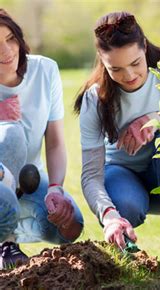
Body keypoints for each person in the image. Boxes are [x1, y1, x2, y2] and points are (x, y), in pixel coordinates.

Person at [74, 12, 160, 268]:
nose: (129, 76)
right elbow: (91, 175)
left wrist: (157, 119)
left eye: (135, 63)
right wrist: (109, 215)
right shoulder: (95, 98)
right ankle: (124, 245)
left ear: (144, 46)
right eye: (116, 69)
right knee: (125, 206)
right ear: (102, 61)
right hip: (124, 175)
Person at [0, 9, 84, 269]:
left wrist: (55, 188)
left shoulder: (45, 70)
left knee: (70, 227)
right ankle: (7, 243)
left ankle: (7, 222)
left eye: (10, 38)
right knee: (12, 134)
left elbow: (56, 141)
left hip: (29, 178)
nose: (6, 51)